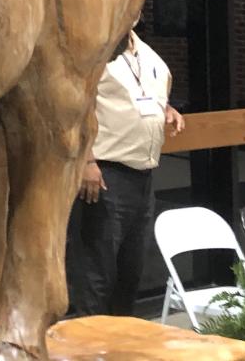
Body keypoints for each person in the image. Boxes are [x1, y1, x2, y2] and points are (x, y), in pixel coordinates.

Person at [65, 28, 184, 317]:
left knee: (130, 273)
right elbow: (73, 107)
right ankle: (90, 349)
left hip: (143, 178)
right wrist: (86, 161)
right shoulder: (94, 49)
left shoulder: (144, 52)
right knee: (96, 274)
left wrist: (166, 109)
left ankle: (120, 346)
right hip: (105, 175)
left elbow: (149, 91)